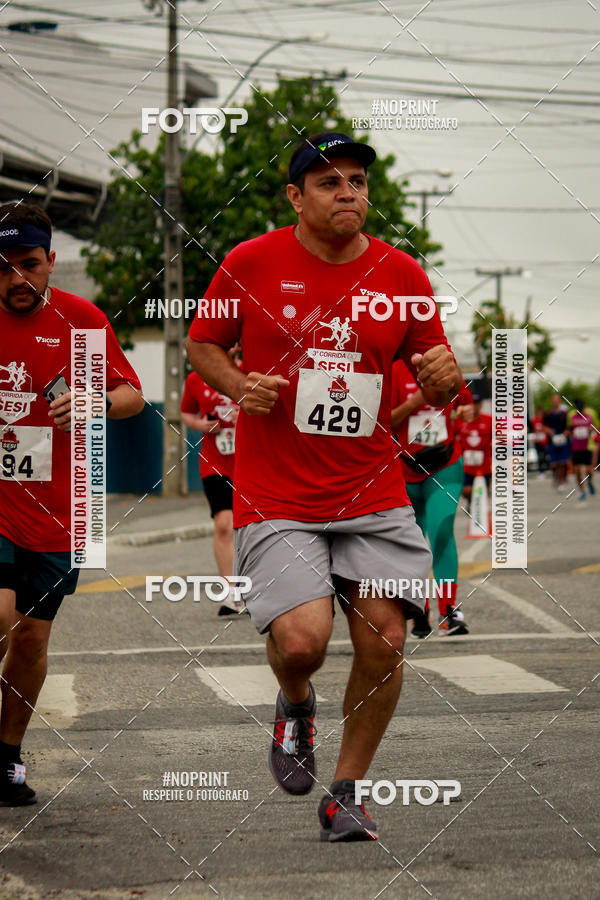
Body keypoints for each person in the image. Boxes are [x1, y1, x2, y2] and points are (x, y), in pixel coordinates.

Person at [185, 132, 462, 842]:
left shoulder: (401, 274)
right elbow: (202, 343)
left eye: (358, 181)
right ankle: (295, 701)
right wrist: (240, 384)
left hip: (370, 491)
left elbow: (438, 363)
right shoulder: (251, 262)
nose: (349, 193)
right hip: (276, 494)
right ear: (296, 196)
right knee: (303, 641)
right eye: (331, 181)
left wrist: (444, 374)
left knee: (386, 637)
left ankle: (347, 791)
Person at [0, 202, 144, 805]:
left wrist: (92, 406)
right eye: (2, 268)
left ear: (52, 262)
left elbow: (131, 395)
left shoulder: (82, 321)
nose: (16, 280)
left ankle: (7, 754)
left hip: (62, 505)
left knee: (32, 639)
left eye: (28, 265)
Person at [391, 359, 471, 637]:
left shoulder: (444, 362)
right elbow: (382, 422)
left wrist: (465, 410)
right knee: (412, 543)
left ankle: (449, 612)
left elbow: (465, 403)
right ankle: (419, 611)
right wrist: (415, 402)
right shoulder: (389, 367)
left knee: (442, 533)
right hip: (403, 466)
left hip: (444, 464)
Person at [180, 346, 243, 615]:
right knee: (224, 524)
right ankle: (231, 592)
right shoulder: (196, 379)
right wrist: (199, 425)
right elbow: (186, 413)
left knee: (252, 528)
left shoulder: (248, 373)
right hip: (215, 462)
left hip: (249, 463)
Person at [458, 396, 493, 502]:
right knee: (466, 490)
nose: (475, 406)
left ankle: (480, 510)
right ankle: (472, 502)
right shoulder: (460, 420)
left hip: (484, 463)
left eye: (477, 403)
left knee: (482, 490)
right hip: (466, 464)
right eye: (472, 404)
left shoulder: (489, 420)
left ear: (481, 405)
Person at [567, 399, 595, 500]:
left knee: (588, 470)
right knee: (577, 470)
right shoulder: (572, 417)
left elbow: (595, 427)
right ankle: (581, 490)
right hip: (576, 447)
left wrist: (591, 430)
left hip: (587, 446)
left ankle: (590, 482)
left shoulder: (588, 417)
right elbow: (569, 429)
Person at [543, 394, 570, 491]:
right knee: (554, 463)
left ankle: (562, 480)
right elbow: (544, 426)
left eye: (557, 400)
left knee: (563, 462)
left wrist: (564, 434)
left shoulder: (564, 414)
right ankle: (556, 477)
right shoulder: (548, 414)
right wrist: (550, 432)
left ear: (559, 402)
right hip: (552, 441)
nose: (555, 402)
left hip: (563, 440)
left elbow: (569, 427)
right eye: (553, 400)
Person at [530, 406, 549, 475]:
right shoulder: (534, 420)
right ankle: (541, 470)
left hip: (544, 440)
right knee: (539, 456)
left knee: (545, 455)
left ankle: (546, 467)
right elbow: (532, 429)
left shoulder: (544, 420)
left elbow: (547, 428)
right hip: (538, 440)